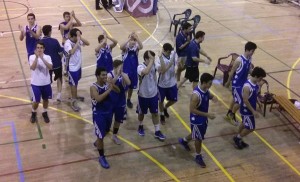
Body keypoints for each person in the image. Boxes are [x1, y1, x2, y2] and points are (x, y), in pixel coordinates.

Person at [178, 73, 217, 168]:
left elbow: (208, 94)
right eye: (209, 83)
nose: (210, 85)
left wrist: (213, 97)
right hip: (196, 119)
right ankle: (198, 156)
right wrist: (208, 114)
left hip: (202, 118)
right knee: (198, 138)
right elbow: (192, 110)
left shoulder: (205, 89)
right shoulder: (196, 95)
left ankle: (184, 141)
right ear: (204, 83)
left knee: (196, 133)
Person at [90, 67, 120, 169]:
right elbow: (98, 99)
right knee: (101, 137)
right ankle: (101, 157)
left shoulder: (107, 84)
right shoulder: (93, 87)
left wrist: (112, 84)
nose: (105, 76)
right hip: (99, 114)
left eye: (105, 75)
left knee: (106, 131)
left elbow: (118, 90)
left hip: (108, 113)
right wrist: (109, 89)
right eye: (103, 75)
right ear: (98, 76)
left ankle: (97, 142)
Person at [233, 67, 266, 149]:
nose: (261, 80)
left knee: (244, 123)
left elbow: (255, 95)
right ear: (255, 76)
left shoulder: (256, 84)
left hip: (250, 108)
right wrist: (253, 111)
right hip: (246, 110)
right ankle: (238, 138)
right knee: (251, 127)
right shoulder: (247, 86)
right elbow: (245, 100)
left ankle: (238, 137)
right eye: (260, 78)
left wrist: (258, 102)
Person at [224, 42, 257, 126]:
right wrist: (228, 82)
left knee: (236, 99)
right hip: (236, 84)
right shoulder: (239, 60)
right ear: (247, 50)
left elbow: (249, 70)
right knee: (241, 101)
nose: (253, 53)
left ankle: (229, 113)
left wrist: (255, 74)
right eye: (252, 51)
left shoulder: (249, 59)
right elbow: (232, 72)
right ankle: (232, 115)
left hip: (243, 83)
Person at [137, 51, 165, 141]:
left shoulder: (154, 64)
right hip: (143, 95)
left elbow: (163, 70)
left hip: (153, 94)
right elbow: (146, 71)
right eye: (151, 58)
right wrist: (153, 61)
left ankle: (157, 131)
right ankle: (140, 125)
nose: (153, 60)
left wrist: (161, 58)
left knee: (155, 113)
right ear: (146, 59)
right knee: (141, 113)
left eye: (153, 58)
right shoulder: (140, 67)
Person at [64, 28, 90, 111]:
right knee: (73, 85)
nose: (79, 37)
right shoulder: (67, 43)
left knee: (76, 82)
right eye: (77, 36)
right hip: (72, 68)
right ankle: (73, 102)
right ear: (73, 36)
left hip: (78, 66)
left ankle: (75, 96)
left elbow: (88, 43)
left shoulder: (77, 40)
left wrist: (80, 38)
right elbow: (71, 52)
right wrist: (78, 42)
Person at [107, 60, 131, 144]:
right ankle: (104, 132)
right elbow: (111, 83)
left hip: (120, 101)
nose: (122, 68)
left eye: (122, 66)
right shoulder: (110, 74)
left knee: (117, 120)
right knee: (108, 119)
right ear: (115, 67)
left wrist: (122, 74)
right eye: (120, 67)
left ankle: (114, 135)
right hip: (111, 101)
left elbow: (129, 83)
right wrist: (117, 75)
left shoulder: (124, 74)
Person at [29, 42, 53, 123]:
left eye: (41, 48)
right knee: (36, 101)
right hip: (35, 84)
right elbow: (32, 68)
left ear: (44, 49)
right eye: (38, 48)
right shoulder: (32, 57)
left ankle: (45, 112)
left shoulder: (48, 57)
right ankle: (33, 112)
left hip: (46, 83)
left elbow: (50, 67)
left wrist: (42, 58)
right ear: (36, 49)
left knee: (46, 99)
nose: (39, 49)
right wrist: (37, 58)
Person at [41, 25, 64, 102]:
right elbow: (61, 52)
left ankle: (49, 94)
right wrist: (59, 59)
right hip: (57, 63)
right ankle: (59, 95)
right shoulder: (55, 41)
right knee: (59, 79)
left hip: (47, 65)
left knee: (47, 80)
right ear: (50, 31)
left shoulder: (40, 42)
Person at [120, 32, 143, 109]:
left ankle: (128, 100)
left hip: (134, 70)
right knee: (125, 88)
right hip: (126, 71)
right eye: (131, 39)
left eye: (134, 40)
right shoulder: (125, 48)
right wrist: (129, 39)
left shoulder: (136, 48)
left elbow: (142, 46)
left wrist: (137, 38)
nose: (133, 41)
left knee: (131, 87)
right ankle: (123, 102)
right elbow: (121, 46)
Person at [156, 43, 177, 125]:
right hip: (162, 84)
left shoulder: (172, 53)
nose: (170, 53)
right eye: (168, 52)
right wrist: (168, 63)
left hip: (172, 82)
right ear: (164, 51)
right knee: (160, 101)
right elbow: (163, 70)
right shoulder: (158, 59)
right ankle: (161, 115)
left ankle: (165, 108)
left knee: (174, 100)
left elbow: (177, 63)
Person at [59, 11, 82, 76]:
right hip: (65, 43)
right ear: (64, 17)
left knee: (71, 57)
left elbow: (80, 24)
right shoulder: (61, 24)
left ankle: (70, 70)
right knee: (66, 58)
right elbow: (66, 27)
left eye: (69, 16)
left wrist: (74, 17)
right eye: (67, 16)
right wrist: (71, 19)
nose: (68, 18)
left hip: (71, 43)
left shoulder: (71, 23)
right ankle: (65, 70)